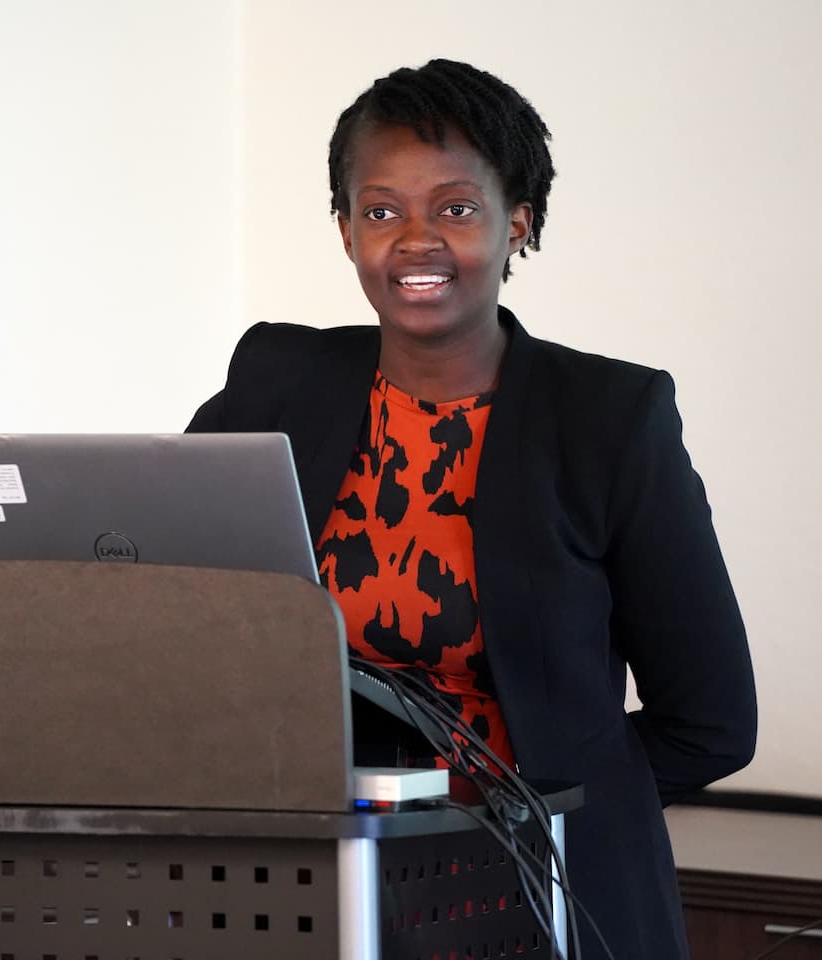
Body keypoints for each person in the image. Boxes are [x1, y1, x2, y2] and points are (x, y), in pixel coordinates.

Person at [187, 59, 756, 960]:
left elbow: (713, 722)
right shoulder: (278, 382)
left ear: (516, 224)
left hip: (531, 897)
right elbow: (160, 595)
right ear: (344, 232)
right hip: (310, 890)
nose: (415, 239)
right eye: (381, 211)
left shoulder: (609, 419)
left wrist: (551, 799)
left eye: (455, 208)